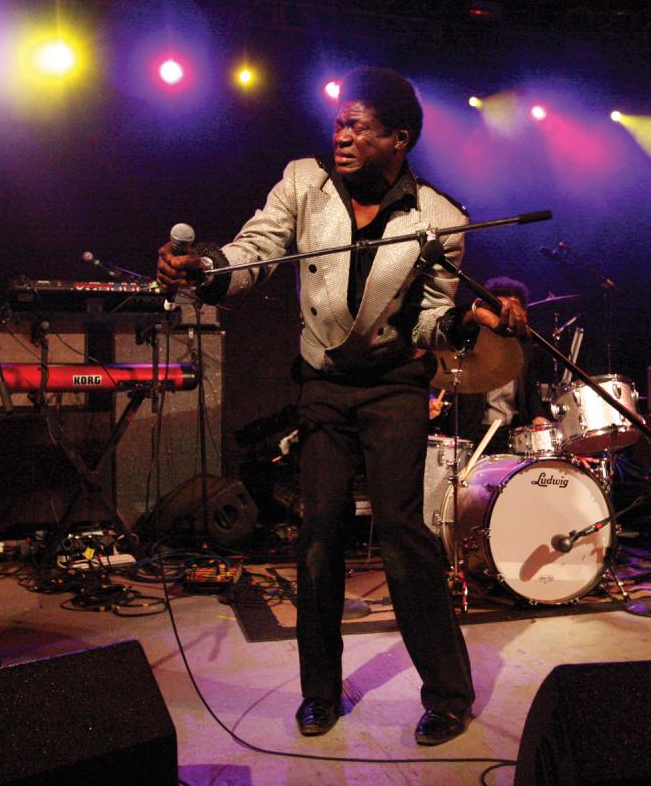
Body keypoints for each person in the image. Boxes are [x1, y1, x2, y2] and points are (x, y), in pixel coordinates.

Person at [158, 67, 526, 745]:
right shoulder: (304, 182)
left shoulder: (440, 219)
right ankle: (320, 691)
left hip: (394, 387)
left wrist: (471, 327)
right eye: (339, 123)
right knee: (319, 534)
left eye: (359, 125)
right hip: (324, 384)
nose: (343, 136)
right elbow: (257, 249)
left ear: (399, 138)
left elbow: (429, 324)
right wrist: (208, 268)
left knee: (401, 534)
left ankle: (447, 693)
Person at [431, 276, 552, 454]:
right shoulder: (471, 340)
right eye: (500, 310)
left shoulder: (524, 344)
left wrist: (539, 416)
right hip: (473, 431)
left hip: (512, 432)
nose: (507, 316)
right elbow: (438, 372)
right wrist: (431, 399)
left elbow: (530, 388)